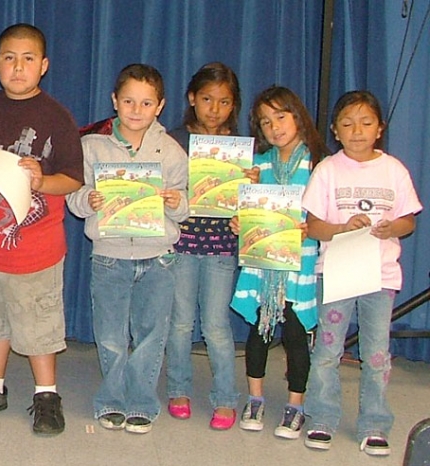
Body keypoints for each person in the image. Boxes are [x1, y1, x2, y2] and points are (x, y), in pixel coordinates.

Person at [0, 23, 83, 436]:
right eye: (9, 58)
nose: (17, 67)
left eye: (27, 59)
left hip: (34, 250)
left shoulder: (56, 116)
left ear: (43, 66)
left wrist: (42, 181)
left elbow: (73, 179)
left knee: (38, 325)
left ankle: (46, 394)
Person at [67, 63, 188, 435]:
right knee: (110, 334)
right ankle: (110, 399)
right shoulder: (92, 146)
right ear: (114, 101)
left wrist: (173, 202)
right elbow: (74, 199)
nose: (137, 110)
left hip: (159, 257)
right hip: (109, 255)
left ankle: (141, 401)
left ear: (160, 106)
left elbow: (187, 206)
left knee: (152, 334)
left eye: (146, 102)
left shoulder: (170, 151)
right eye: (129, 101)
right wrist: (90, 198)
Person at [302, 91, 421, 456]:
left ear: (380, 129)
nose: (357, 131)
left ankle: (374, 423)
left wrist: (392, 228)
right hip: (336, 273)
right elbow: (314, 227)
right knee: (327, 349)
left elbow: (409, 222)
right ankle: (321, 417)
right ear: (335, 131)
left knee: (376, 354)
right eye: (348, 124)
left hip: (380, 277)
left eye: (366, 123)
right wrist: (342, 227)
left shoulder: (394, 170)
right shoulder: (327, 170)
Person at [231, 86, 328, 439]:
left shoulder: (318, 164)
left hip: (299, 265)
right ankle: (254, 399)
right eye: (265, 122)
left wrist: (312, 227)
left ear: (298, 115)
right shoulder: (258, 167)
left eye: (281, 117)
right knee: (258, 332)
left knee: (296, 335)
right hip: (263, 265)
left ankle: (295, 405)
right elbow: (244, 212)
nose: (274, 127)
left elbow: (325, 216)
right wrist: (239, 221)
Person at [164, 62, 253, 430]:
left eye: (224, 102)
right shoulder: (173, 141)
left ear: (234, 106)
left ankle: (225, 397)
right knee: (181, 322)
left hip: (220, 247)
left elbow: (254, 208)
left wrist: (250, 186)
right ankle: (178, 389)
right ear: (191, 99)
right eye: (206, 99)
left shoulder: (241, 150)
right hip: (182, 243)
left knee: (217, 325)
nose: (215, 109)